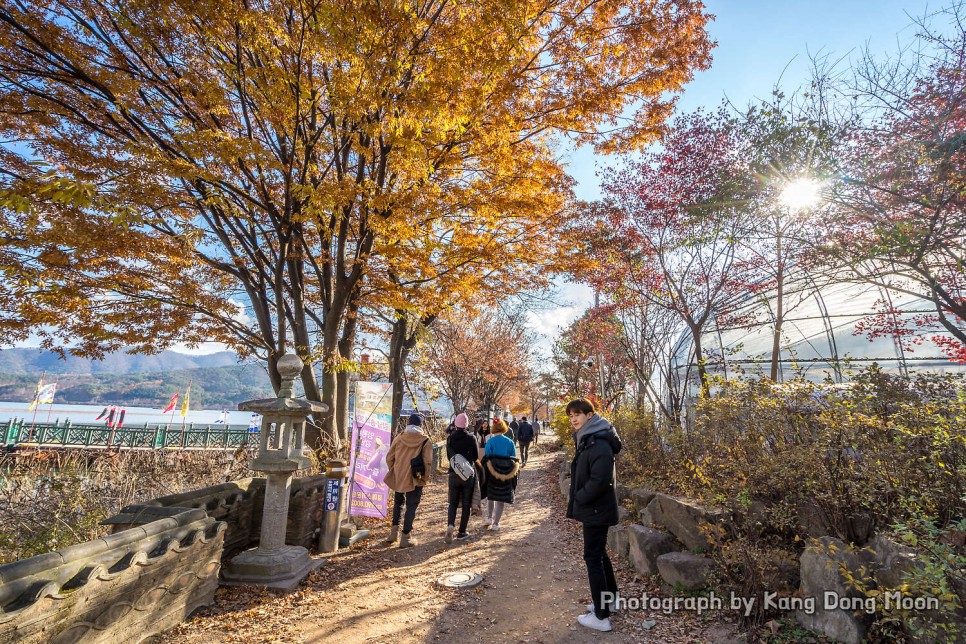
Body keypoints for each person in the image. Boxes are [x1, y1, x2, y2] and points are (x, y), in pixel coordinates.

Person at [566, 398, 622, 633]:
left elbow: (600, 480)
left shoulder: (599, 442)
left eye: (578, 414)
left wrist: (579, 497)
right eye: (571, 415)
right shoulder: (590, 438)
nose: (574, 419)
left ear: (590, 415)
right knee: (600, 556)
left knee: (592, 558)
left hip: (596, 509)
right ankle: (610, 600)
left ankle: (601, 616)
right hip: (596, 508)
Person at [382, 413, 434, 548]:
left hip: (399, 475)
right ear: (421, 425)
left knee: (398, 503)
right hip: (416, 477)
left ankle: (393, 534)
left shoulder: (399, 438)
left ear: (408, 424)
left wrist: (395, 469)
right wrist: (424, 478)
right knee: (411, 505)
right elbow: (428, 462)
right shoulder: (425, 441)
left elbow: (389, 458)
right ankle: (406, 537)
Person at [481, 417, 519, 531]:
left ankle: (489, 518)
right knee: (501, 499)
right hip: (506, 472)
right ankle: (496, 524)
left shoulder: (491, 441)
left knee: (491, 496)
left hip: (492, 471)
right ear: (504, 428)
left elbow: (487, 455)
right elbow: (514, 457)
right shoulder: (510, 442)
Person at [444, 412, 477, 543]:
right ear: (466, 425)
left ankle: (451, 525)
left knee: (452, 502)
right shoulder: (471, 437)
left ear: (455, 424)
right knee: (466, 504)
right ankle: (462, 532)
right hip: (467, 475)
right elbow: (475, 457)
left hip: (453, 473)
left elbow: (449, 457)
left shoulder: (450, 438)